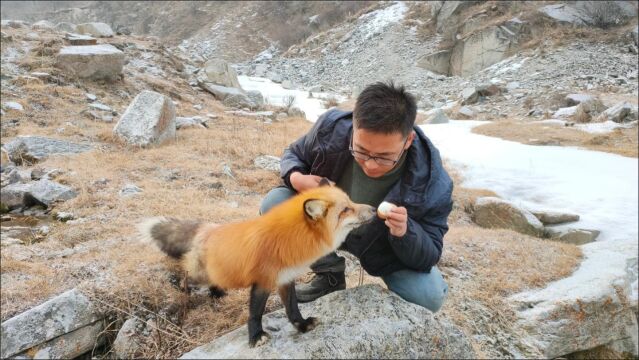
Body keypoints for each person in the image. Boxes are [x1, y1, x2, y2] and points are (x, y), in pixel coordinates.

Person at [259, 81, 453, 312]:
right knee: (275, 204)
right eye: (361, 151)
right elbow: (294, 153)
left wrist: (405, 232)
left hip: (381, 247)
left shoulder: (433, 183)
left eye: (384, 157)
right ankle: (330, 274)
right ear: (353, 126)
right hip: (328, 225)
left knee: (429, 297)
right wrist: (296, 178)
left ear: (408, 140)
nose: (370, 165)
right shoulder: (331, 128)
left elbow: (429, 252)